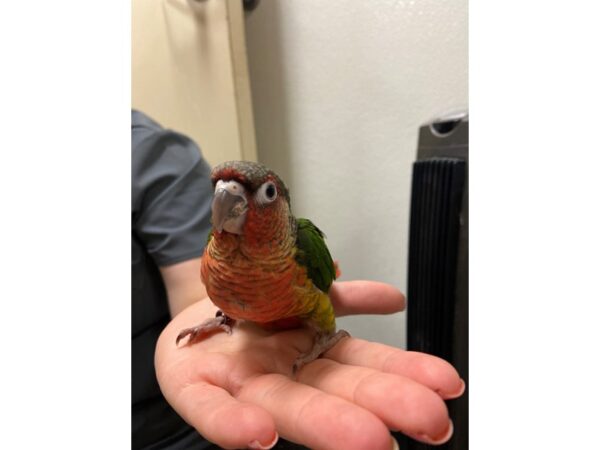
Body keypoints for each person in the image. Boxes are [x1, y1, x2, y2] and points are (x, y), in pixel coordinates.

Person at [132, 110, 465, 449]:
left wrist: (324, 338)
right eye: (221, 189)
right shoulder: (213, 252)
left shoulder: (302, 244)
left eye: (266, 194)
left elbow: (323, 292)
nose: (229, 195)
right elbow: (201, 289)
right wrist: (225, 313)